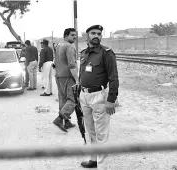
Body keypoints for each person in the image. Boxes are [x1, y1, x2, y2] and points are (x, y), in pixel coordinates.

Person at [79, 25, 119, 169]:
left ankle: (102, 167)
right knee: (91, 131)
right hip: (84, 96)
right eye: (93, 33)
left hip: (99, 97)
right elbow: (81, 74)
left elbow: (114, 78)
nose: (96, 35)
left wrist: (111, 100)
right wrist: (79, 94)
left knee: (101, 135)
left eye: (99, 33)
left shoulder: (106, 53)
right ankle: (94, 160)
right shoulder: (83, 53)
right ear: (87, 35)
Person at [52, 28, 78, 132]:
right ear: (66, 36)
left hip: (59, 76)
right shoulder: (69, 46)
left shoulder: (59, 45)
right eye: (72, 35)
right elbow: (71, 65)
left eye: (75, 35)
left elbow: (55, 62)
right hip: (68, 76)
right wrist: (77, 79)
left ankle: (66, 122)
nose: (74, 37)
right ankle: (60, 119)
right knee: (73, 99)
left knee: (63, 99)